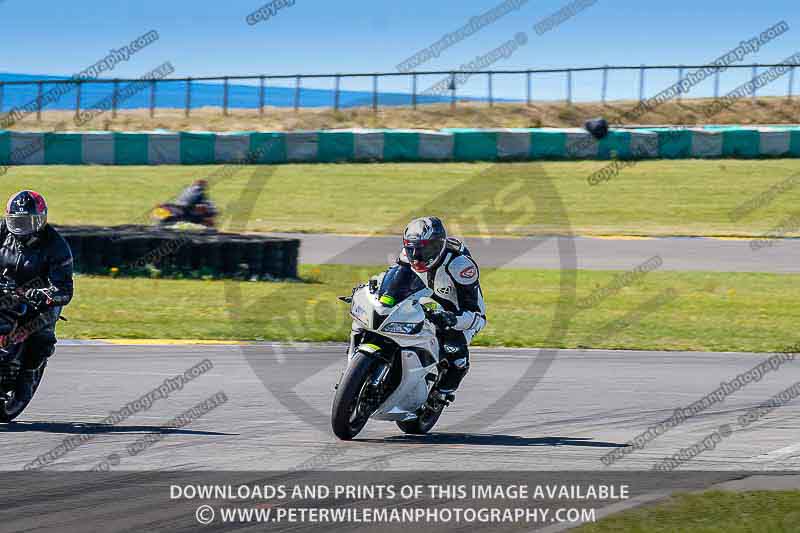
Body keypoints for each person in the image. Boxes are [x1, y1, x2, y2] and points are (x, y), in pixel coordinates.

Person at [397, 216, 486, 402]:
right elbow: (394, 282)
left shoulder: (460, 266)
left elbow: (475, 312)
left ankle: (439, 395)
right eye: (411, 248)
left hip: (459, 313)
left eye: (423, 249)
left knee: (456, 357)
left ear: (438, 245)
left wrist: (452, 319)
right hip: (424, 301)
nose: (416, 256)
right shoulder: (408, 256)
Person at [0, 190, 73, 403]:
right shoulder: (2, 231)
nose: (22, 228)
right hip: (5, 288)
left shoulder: (57, 247)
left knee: (39, 334)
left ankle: (29, 374)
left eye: (28, 222)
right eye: (17, 221)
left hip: (39, 299)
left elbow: (64, 290)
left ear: (41, 220)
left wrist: (42, 294)